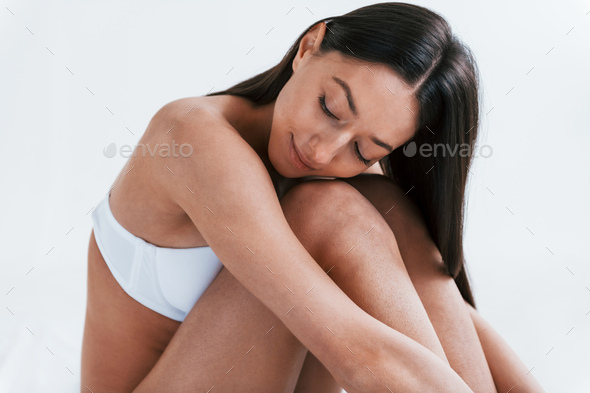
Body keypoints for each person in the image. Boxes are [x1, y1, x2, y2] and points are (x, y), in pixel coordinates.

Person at [81, 3, 545, 392]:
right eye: (331, 107)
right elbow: (355, 351)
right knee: (325, 210)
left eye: (366, 149)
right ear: (308, 47)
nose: (323, 150)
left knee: (378, 200)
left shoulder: (352, 185)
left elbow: (452, 313)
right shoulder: (192, 137)